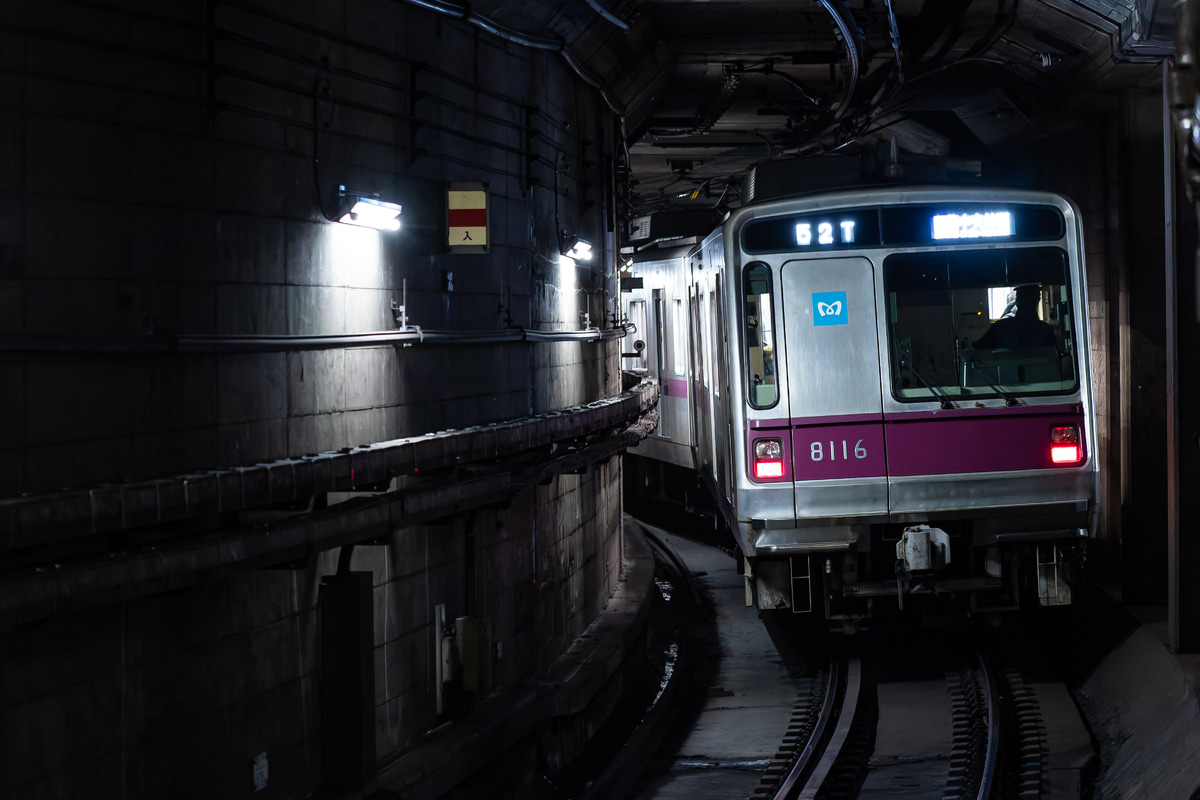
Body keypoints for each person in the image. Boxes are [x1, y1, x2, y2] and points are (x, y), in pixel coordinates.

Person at [973, 285, 1057, 350]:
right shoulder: (1046, 330)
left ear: (1017, 302)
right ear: (1037, 300)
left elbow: (978, 347)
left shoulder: (1000, 327)